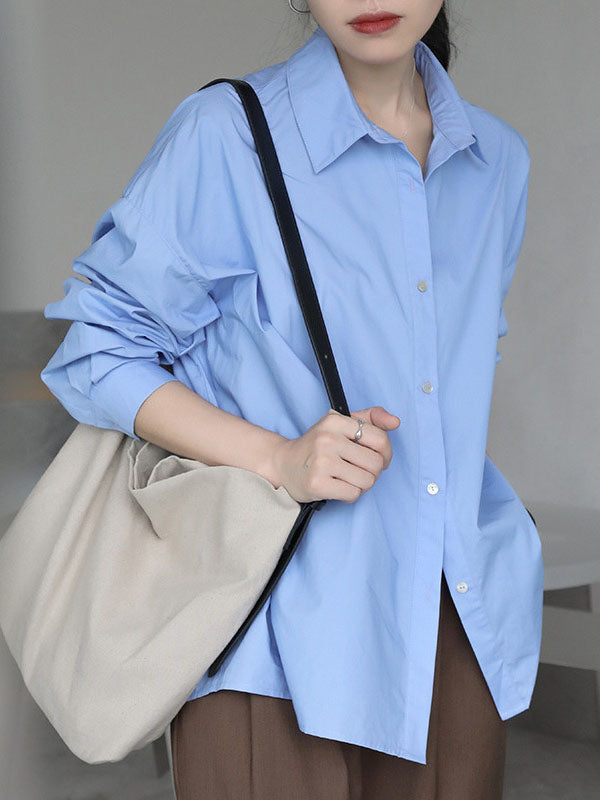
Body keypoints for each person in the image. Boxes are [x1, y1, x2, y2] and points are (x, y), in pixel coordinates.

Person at [40, 1, 544, 797]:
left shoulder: (497, 162)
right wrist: (278, 457)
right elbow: (99, 349)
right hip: (273, 623)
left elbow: (458, 370)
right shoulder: (227, 134)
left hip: (455, 616)